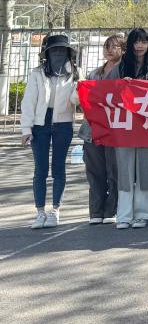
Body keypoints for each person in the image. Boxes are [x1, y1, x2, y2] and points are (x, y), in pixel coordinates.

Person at [22, 34, 80, 229]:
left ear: (68, 52)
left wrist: (79, 89)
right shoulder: (37, 73)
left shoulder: (74, 73)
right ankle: (40, 212)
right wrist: (26, 129)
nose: (58, 53)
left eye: (62, 50)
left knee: (58, 168)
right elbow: (29, 101)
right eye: (54, 50)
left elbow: (75, 101)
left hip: (63, 123)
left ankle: (55, 210)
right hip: (40, 123)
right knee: (40, 169)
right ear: (47, 53)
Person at [115, 28, 148, 229]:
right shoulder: (121, 66)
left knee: (147, 168)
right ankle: (124, 215)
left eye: (143, 42)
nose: (139, 46)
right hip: (125, 125)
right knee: (125, 170)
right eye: (136, 42)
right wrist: (121, 84)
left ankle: (144, 214)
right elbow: (107, 88)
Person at [73, 33, 124, 225]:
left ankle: (112, 210)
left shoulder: (124, 73)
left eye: (114, 46)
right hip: (92, 129)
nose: (109, 50)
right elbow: (82, 99)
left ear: (123, 50)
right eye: (106, 46)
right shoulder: (94, 74)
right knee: (95, 172)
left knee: (114, 172)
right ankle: (96, 211)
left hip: (115, 130)